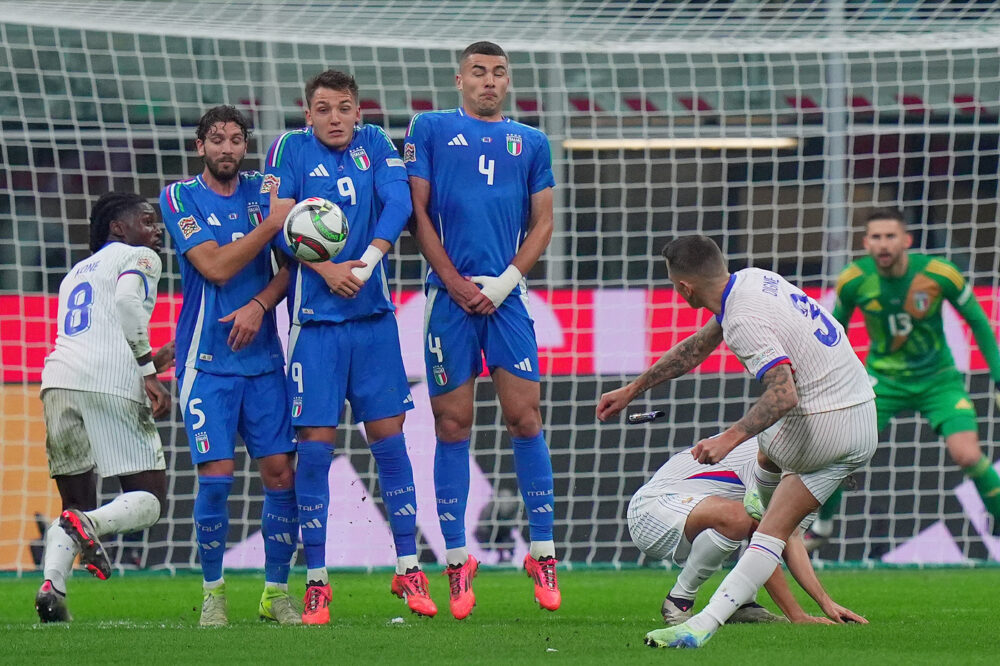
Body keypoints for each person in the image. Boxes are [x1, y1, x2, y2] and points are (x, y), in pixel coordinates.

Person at [596, 235, 877, 648]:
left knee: (763, 477)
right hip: (863, 421)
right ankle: (719, 610)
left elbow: (784, 394)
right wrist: (633, 390)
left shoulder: (742, 319)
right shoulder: (752, 280)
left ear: (683, 288)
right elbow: (694, 350)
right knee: (774, 531)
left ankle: (752, 510)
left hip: (820, 424)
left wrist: (729, 438)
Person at [265, 69, 429, 623]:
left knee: (390, 442)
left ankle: (408, 568)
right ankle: (317, 582)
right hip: (314, 323)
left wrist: (367, 263)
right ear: (307, 112)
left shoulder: (378, 142)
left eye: (343, 108)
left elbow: (398, 206)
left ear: (358, 111)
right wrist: (327, 267)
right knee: (313, 447)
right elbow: (281, 219)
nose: (334, 118)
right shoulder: (289, 147)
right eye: (322, 108)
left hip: (374, 318)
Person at [404, 40, 559, 619]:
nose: (489, 81)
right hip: (448, 301)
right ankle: (456, 559)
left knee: (525, 418)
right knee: (452, 425)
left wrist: (503, 282)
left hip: (507, 301)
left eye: (498, 73)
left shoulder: (531, 140)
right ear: (460, 79)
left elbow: (543, 223)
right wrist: (455, 281)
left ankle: (542, 552)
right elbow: (416, 215)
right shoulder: (432, 128)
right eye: (478, 72)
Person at [160, 106, 300, 626]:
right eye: (216, 140)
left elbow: (296, 262)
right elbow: (215, 266)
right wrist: (271, 223)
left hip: (264, 361)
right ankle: (214, 594)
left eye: (235, 140)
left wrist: (261, 303)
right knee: (216, 477)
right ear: (200, 146)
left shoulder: (264, 188)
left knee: (281, 474)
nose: (226, 149)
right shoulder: (179, 197)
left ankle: (275, 593)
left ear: (245, 147)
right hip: (207, 363)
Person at [808, 209, 1000, 550]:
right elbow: (834, 332)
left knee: (968, 455)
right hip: (883, 381)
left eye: (890, 236)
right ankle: (822, 527)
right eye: (876, 237)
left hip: (938, 380)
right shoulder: (854, 279)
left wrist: (998, 378)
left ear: (906, 240)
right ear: (866, 243)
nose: (883, 244)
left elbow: (980, 324)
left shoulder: (940, 274)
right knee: (840, 452)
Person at [35, 192, 173, 622]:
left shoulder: (76, 273)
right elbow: (127, 303)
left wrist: (156, 358)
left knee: (76, 505)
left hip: (58, 381)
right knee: (148, 498)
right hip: (109, 383)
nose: (156, 231)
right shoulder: (140, 257)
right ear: (119, 227)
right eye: (147, 221)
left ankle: (51, 590)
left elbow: (101, 328)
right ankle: (89, 530)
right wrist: (149, 373)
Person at [629, 438, 868, 626]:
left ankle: (741, 603)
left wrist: (826, 603)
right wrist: (797, 616)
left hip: (689, 516)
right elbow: (765, 536)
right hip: (652, 511)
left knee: (755, 522)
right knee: (743, 518)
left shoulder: (808, 476)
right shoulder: (772, 454)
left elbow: (787, 540)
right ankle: (679, 600)